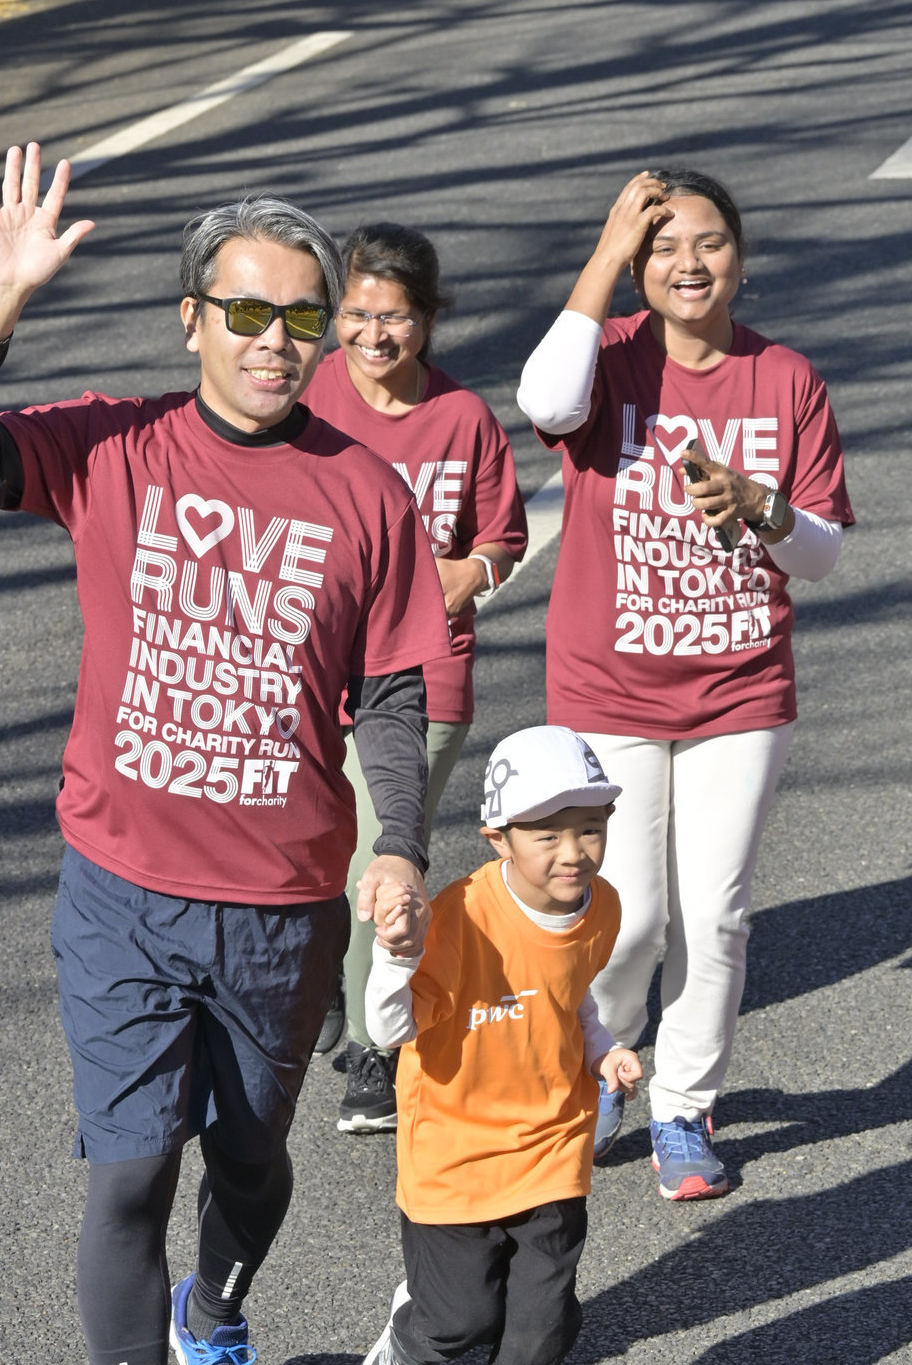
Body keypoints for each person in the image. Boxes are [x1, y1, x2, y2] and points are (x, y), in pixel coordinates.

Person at [0, 142, 452, 1365]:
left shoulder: (367, 494)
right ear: (192, 320)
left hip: (281, 902)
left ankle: (214, 1309)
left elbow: (393, 691)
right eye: (247, 312)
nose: (275, 341)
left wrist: (402, 848)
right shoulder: (114, 446)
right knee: (130, 1173)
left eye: (300, 316)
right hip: (123, 893)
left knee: (251, 1159)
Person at [515, 169, 855, 1200]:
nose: (689, 263)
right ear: (637, 266)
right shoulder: (607, 358)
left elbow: (821, 555)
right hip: (607, 688)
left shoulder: (785, 378)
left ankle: (683, 1105)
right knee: (627, 916)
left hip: (739, 694)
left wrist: (761, 505)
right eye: (663, 246)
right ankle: (604, 1065)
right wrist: (605, 254)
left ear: (740, 259)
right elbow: (543, 402)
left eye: (708, 242)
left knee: (715, 918)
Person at [302, 222, 527, 1133]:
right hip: (310, 664)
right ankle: (328, 972)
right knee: (310, 845)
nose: (372, 335)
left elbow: (502, 539)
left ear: (427, 320)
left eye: (393, 317)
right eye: (355, 314)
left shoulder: (462, 418)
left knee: (376, 854)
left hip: (426, 673)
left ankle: (375, 1045)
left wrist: (467, 575)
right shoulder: (306, 398)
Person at [361, 725, 641, 1365]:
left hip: (552, 1142)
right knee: (461, 1321)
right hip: (454, 1152)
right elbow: (388, 1030)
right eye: (547, 836)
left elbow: (569, 996)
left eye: (590, 829)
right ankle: (411, 1330)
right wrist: (395, 955)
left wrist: (602, 1050)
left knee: (539, 1334)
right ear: (498, 839)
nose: (573, 853)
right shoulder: (458, 919)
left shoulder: (603, 907)